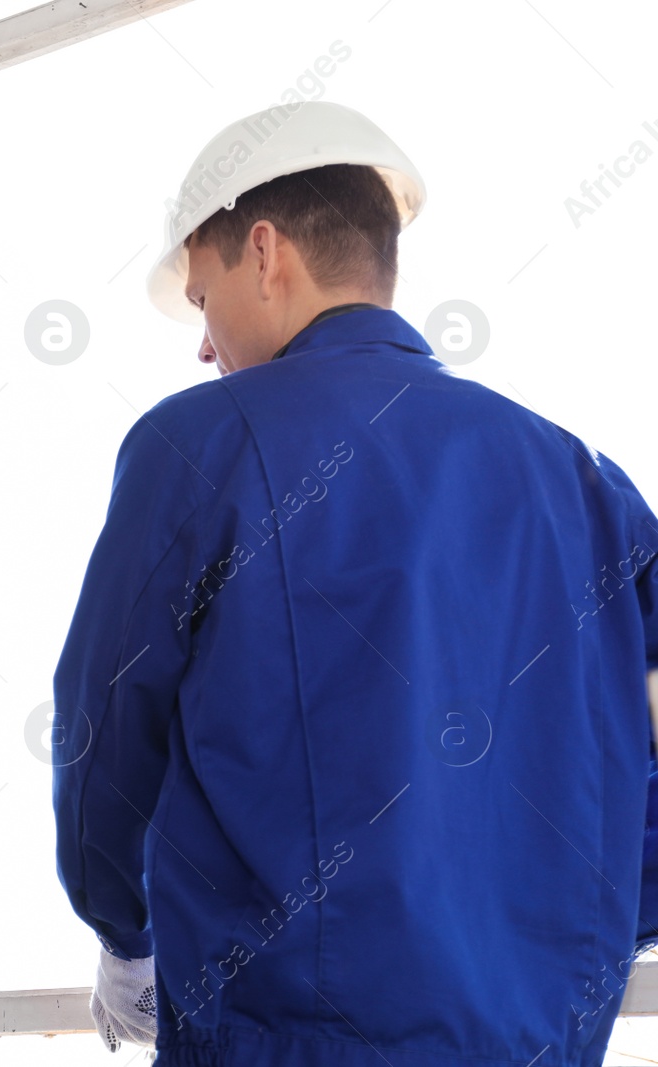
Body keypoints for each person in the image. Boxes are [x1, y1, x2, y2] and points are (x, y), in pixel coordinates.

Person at [52, 102, 658, 1066]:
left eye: (202, 300)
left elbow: (105, 718)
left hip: (288, 1037)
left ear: (263, 251)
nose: (203, 347)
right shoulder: (585, 480)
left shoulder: (200, 442)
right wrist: (610, 934)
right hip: (550, 1035)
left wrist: (120, 930)